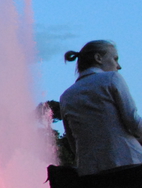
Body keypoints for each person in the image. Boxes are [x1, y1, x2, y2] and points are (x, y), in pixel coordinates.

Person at [59, 40, 142, 175]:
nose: (118, 66)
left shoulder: (66, 96)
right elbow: (133, 121)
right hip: (128, 163)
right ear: (98, 58)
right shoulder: (111, 78)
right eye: (115, 59)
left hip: (90, 171)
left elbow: (73, 143)